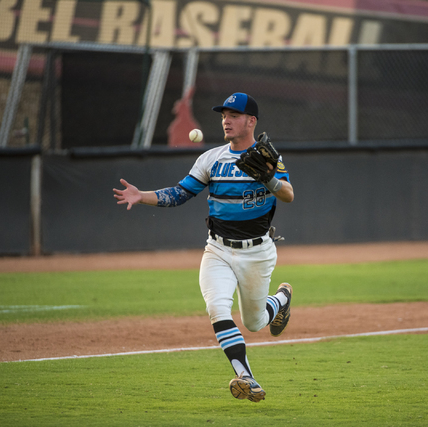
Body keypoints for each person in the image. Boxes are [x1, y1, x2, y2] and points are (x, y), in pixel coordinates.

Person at [114, 92, 294, 402]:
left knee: (255, 323)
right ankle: (246, 376)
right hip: (218, 250)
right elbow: (180, 193)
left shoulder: (268, 158)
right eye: (224, 114)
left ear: (251, 121)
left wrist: (269, 179)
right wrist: (140, 195)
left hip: (257, 252)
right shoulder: (211, 159)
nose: (226, 119)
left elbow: (288, 194)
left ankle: (281, 298)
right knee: (217, 307)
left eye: (234, 115)